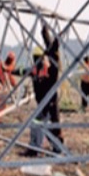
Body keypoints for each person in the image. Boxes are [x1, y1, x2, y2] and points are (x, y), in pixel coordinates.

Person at [27, 26, 62, 154]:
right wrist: (44, 32)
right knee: (47, 125)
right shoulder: (37, 70)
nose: (36, 61)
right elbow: (24, 71)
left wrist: (52, 38)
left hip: (49, 103)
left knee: (44, 125)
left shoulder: (51, 69)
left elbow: (52, 51)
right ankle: (42, 148)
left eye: (38, 58)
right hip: (43, 102)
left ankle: (35, 149)